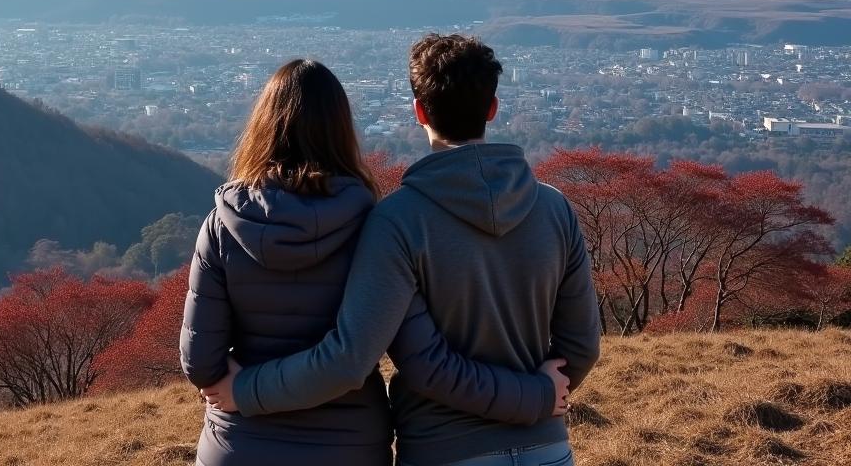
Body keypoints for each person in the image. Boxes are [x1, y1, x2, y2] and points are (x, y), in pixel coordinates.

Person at [203, 35, 601, 466]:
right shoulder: (555, 208)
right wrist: (540, 398)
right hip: (548, 448)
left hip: (442, 448)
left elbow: (423, 364)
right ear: (493, 108)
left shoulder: (399, 220)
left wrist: (246, 390)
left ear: (419, 111)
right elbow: (581, 346)